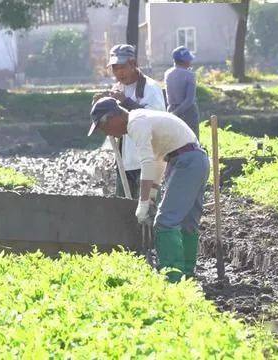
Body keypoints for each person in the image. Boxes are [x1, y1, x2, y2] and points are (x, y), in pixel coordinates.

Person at [88, 97, 210, 282]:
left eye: (104, 128)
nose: (108, 134)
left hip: (186, 162)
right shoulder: (142, 119)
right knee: (187, 221)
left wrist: (143, 203)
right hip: (194, 159)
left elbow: (147, 163)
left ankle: (172, 277)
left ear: (113, 118)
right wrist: (153, 191)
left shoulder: (136, 123)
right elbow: (159, 159)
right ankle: (187, 273)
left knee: (165, 221)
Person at [93, 44, 166, 199]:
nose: (119, 73)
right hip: (125, 160)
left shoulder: (151, 88)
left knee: (147, 207)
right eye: (115, 68)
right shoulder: (117, 88)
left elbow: (156, 119)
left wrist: (126, 102)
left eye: (122, 67)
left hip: (146, 160)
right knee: (124, 209)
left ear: (133, 64)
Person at [164, 46, 200, 137]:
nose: (190, 62)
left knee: (174, 142)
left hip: (171, 110)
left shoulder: (167, 74)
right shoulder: (189, 75)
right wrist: (176, 113)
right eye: (189, 60)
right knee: (192, 142)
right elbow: (189, 100)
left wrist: (172, 113)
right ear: (185, 61)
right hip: (188, 114)